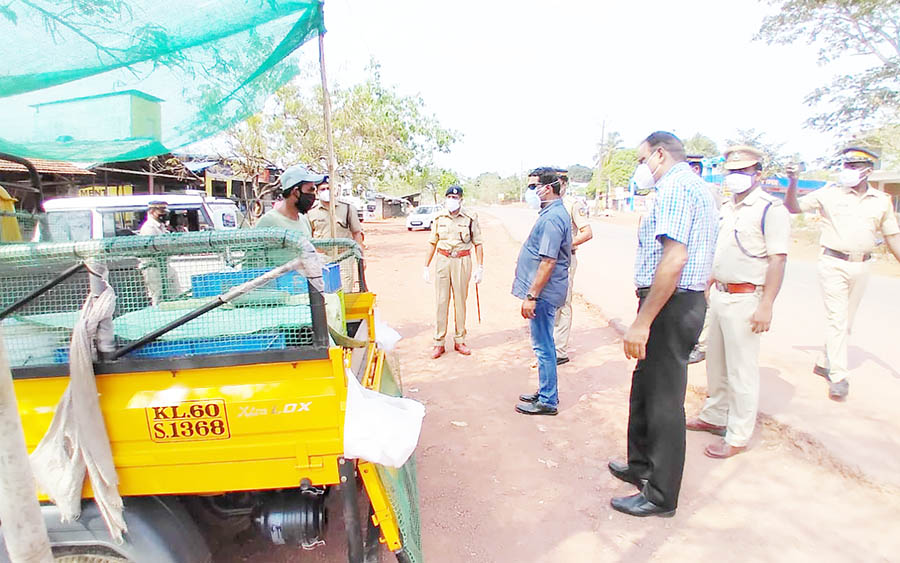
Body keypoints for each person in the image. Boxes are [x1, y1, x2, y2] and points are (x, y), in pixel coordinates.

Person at [608, 131, 717, 517]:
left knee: (664, 399)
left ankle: (660, 494)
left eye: (641, 161)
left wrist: (643, 321)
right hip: (678, 301)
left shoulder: (674, 187)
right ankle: (640, 466)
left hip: (672, 304)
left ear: (658, 154)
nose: (640, 169)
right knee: (645, 386)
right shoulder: (696, 187)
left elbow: (674, 258)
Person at [686, 146, 790, 458]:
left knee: (741, 370)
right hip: (720, 294)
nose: (736, 177)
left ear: (757, 174)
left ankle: (739, 434)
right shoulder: (728, 207)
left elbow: (778, 259)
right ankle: (715, 415)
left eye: (743, 171)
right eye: (732, 171)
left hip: (747, 297)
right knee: (716, 362)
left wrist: (766, 304)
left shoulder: (770, 209)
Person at [783, 146, 900, 401]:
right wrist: (793, 182)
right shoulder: (829, 193)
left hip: (863, 265)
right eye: (846, 165)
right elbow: (793, 207)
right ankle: (838, 375)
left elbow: (892, 236)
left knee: (846, 320)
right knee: (837, 318)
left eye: (854, 166)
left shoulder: (881, 201)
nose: (848, 171)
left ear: (868, 170)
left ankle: (825, 360)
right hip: (833, 262)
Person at [513, 169, 572, 416]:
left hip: (544, 295)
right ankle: (546, 391)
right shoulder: (551, 213)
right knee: (543, 345)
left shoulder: (552, 218)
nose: (530, 192)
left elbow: (548, 261)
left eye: (532, 187)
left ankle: (548, 400)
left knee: (543, 346)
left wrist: (532, 296)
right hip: (544, 293)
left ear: (547, 188)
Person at [423, 186, 484, 358]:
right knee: (441, 302)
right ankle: (439, 343)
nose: (452, 199)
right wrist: (425, 266)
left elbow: (478, 243)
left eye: (455, 197)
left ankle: (460, 340)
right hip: (443, 260)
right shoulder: (438, 217)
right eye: (449, 196)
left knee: (460, 301)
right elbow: (432, 243)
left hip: (462, 260)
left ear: (461, 200)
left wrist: (480, 267)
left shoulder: (470, 217)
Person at [685, 154, 722, 364]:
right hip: (691, 253)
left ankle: (703, 344)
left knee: (706, 299)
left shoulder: (708, 191)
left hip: (706, 253)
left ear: (696, 169)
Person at [553, 168, 593, 365]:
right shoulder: (549, 204)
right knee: (549, 302)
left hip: (565, 259)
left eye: (559, 182)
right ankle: (549, 344)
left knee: (563, 302)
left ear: (565, 184)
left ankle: (559, 350)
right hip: (548, 260)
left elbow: (587, 232)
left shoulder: (572, 205)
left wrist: (566, 244)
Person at [255, 164, 322, 266]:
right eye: (310, 190)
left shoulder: (304, 220)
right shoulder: (269, 221)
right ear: (295, 192)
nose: (314, 195)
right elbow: (251, 264)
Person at [308, 177, 364, 292]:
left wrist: (361, 257)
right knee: (324, 292)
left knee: (344, 290)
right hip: (322, 258)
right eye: (323, 189)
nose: (326, 191)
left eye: (329, 188)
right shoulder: (310, 212)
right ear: (317, 192)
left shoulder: (348, 209)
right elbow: (308, 237)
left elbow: (357, 233)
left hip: (344, 256)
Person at [138, 201, 170, 305]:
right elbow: (155, 248)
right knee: (157, 295)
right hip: (152, 266)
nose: (164, 214)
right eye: (160, 211)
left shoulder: (161, 226)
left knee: (172, 293)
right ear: (152, 211)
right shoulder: (149, 227)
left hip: (164, 265)